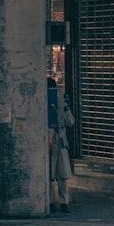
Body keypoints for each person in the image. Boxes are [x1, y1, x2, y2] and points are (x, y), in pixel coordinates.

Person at [48, 77, 76, 213]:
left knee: (59, 173)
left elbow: (70, 121)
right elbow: (70, 121)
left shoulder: (60, 102)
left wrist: (64, 107)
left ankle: (58, 201)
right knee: (53, 174)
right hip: (52, 138)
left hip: (57, 138)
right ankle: (55, 201)